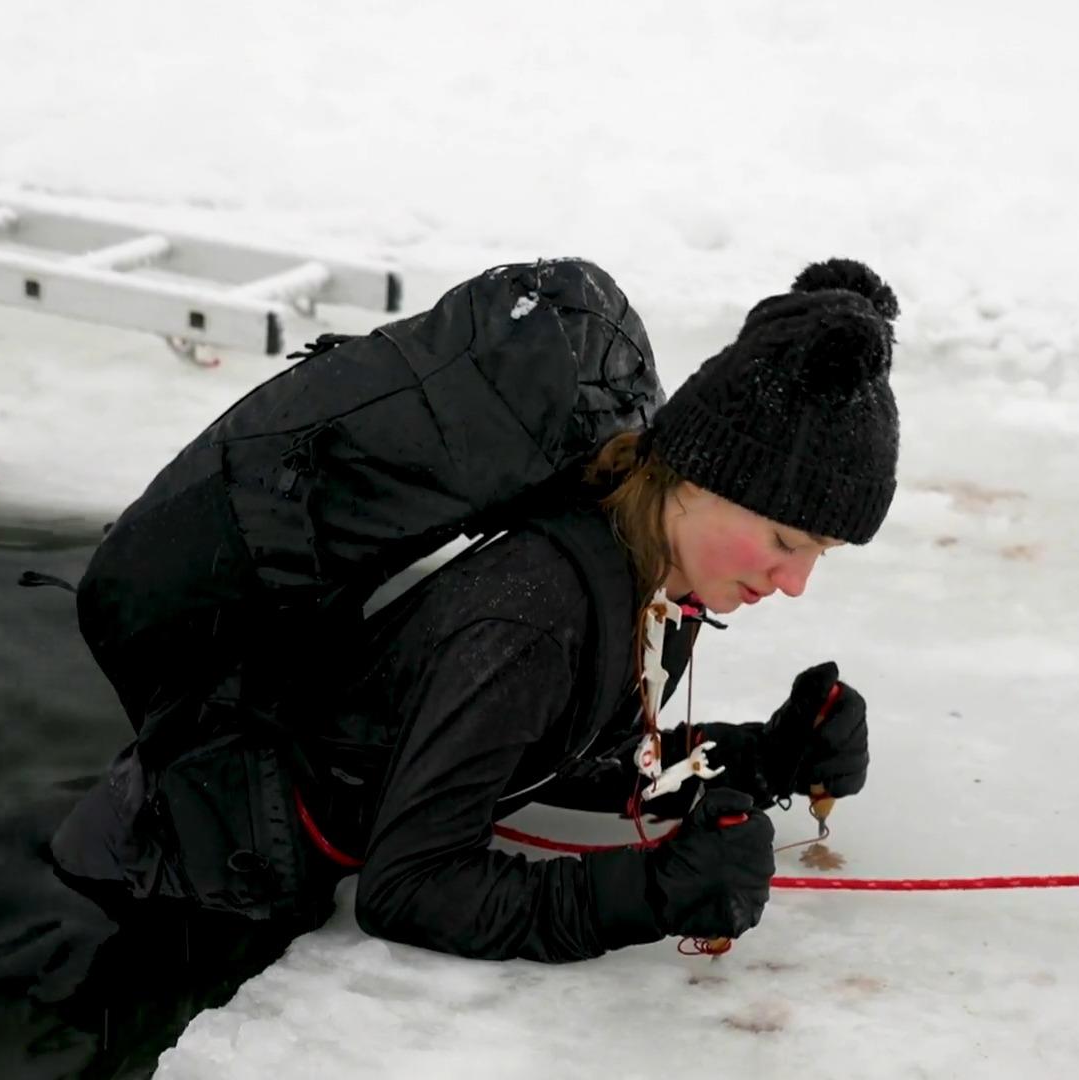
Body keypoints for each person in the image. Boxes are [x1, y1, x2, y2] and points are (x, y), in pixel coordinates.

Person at [51, 256, 899, 969]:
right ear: (703, 480)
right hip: (182, 894)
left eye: (818, 555)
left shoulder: (644, 568)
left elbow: (538, 754)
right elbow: (412, 889)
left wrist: (758, 756)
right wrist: (652, 891)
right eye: (786, 540)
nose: (794, 584)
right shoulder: (534, 615)